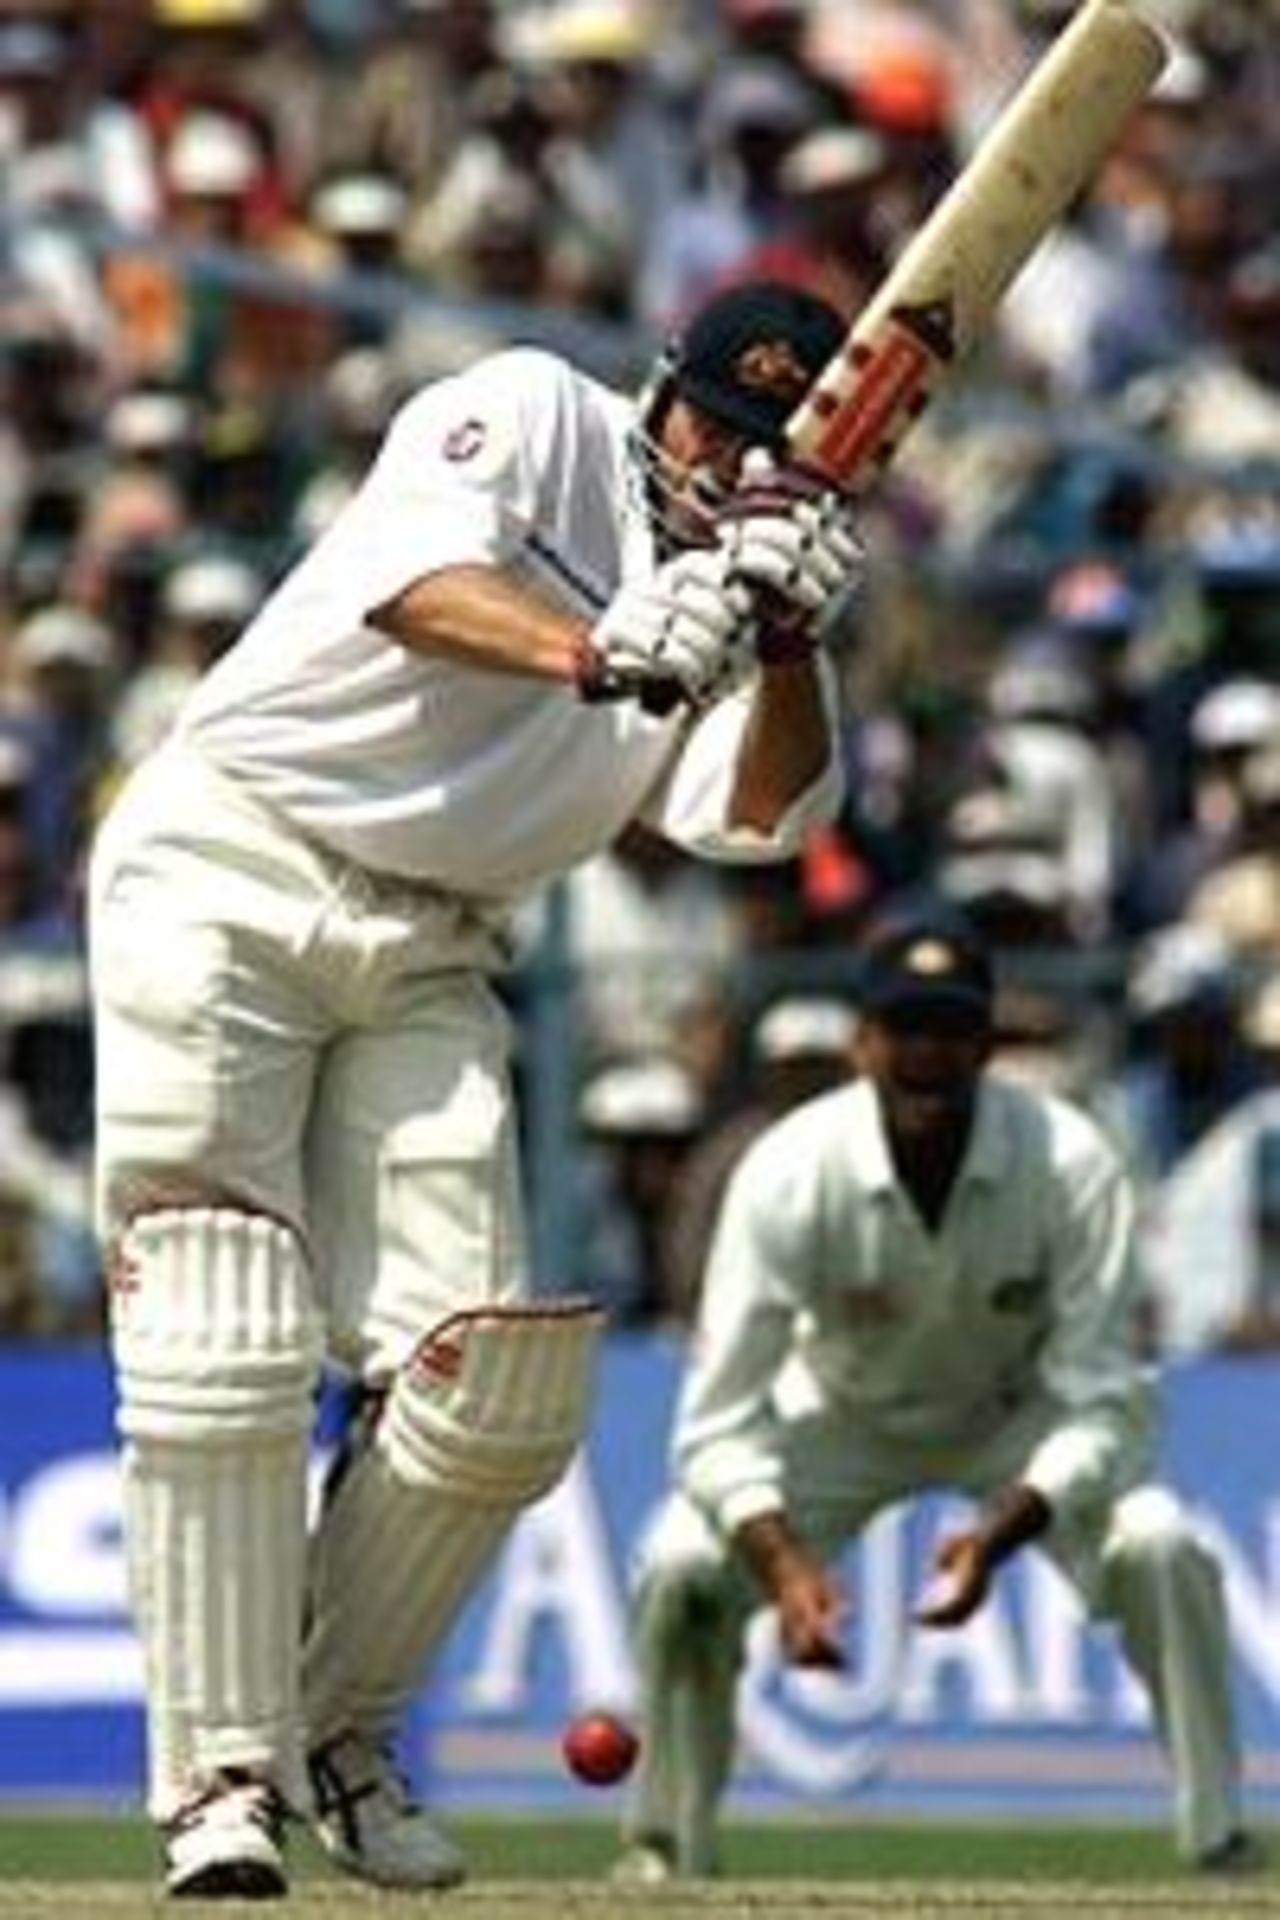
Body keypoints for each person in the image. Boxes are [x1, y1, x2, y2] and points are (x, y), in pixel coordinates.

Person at [86, 277, 862, 1899]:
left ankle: (333, 1729)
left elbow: (765, 814)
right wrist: (595, 648)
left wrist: (784, 641)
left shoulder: (751, 586)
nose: (727, 462)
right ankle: (219, 1785)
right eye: (717, 419)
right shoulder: (529, 410)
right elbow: (406, 584)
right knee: (223, 1319)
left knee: (491, 1382)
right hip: (235, 852)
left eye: (765, 445)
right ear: (666, 390)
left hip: (435, 942)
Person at [615, 898, 1258, 1882]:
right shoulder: (788, 1171)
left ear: (986, 1045)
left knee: (1162, 1546)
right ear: (862, 1043)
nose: (927, 1053)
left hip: (1014, 1419)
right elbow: (716, 1424)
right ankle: (666, 1849)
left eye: (951, 1030)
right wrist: (786, 1571)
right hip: (835, 1412)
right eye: (905, 1028)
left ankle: (1216, 1839)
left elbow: (1108, 1399)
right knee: (677, 1569)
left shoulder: (1071, 1163)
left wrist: (1004, 1528)